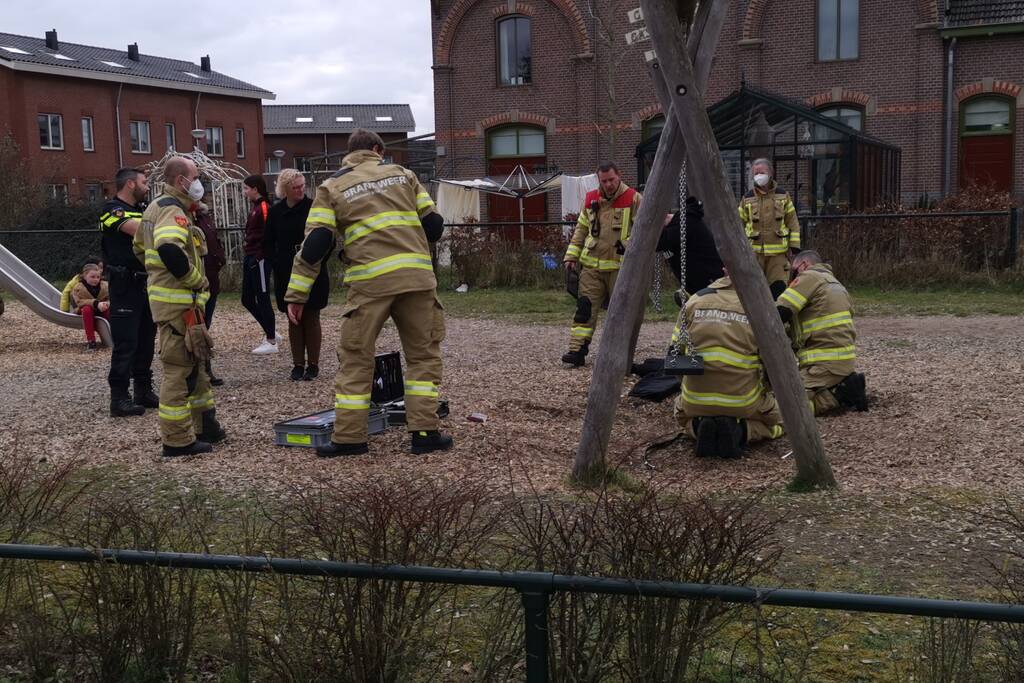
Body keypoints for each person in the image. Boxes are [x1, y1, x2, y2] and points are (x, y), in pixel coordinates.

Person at [285, 128, 451, 457]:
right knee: (422, 358)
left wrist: (297, 293)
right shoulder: (404, 175)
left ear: (349, 152)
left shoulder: (332, 187)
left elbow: (317, 243)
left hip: (370, 283)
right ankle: (424, 433)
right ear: (377, 149)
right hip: (416, 280)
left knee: (357, 360)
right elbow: (433, 227)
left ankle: (349, 439)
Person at [135, 156, 225, 457]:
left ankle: (205, 424)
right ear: (180, 180)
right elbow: (168, 248)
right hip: (177, 304)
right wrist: (195, 280)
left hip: (177, 302)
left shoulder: (156, 208)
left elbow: (139, 248)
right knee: (178, 370)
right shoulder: (172, 212)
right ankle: (177, 440)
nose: (198, 183)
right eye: (195, 177)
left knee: (195, 362)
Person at [673, 274, 784, 458]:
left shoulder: (694, 302)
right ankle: (741, 430)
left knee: (683, 418)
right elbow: (775, 366)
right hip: (743, 401)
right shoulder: (758, 308)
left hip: (695, 400)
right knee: (783, 421)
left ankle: (698, 427)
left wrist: (686, 387)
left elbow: (675, 357)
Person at [561, 162, 643, 366]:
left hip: (620, 268)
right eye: (604, 181)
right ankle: (577, 350)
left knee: (620, 314)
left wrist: (629, 246)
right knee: (584, 309)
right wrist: (571, 256)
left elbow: (643, 230)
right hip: (591, 267)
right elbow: (581, 229)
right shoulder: (590, 199)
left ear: (619, 176)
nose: (608, 184)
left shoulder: (633, 198)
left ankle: (619, 354)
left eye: (611, 180)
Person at [776, 250, 867, 414]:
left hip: (822, 366)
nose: (791, 274)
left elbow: (778, 313)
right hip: (841, 363)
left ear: (804, 265)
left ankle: (837, 396)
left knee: (783, 404)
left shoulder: (809, 277)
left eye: (793, 268)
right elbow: (809, 326)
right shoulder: (837, 285)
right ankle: (844, 387)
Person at [100, 168, 157, 417]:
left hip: (145, 283)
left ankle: (143, 389)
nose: (148, 187)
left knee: (146, 338)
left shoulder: (143, 210)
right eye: (144, 182)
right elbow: (140, 231)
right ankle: (119, 397)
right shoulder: (111, 210)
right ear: (130, 184)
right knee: (126, 342)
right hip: (124, 284)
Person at [265, 168, 331, 381]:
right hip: (286, 269)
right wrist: (275, 261)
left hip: (313, 268)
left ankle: (313, 364)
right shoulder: (275, 213)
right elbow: (268, 241)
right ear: (285, 190)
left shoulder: (314, 207)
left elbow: (326, 238)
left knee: (311, 316)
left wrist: (319, 260)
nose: (301, 190)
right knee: (293, 318)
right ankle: (297, 364)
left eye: (303, 186)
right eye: (295, 187)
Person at [737, 158, 800, 298]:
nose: (759, 176)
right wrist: (739, 250)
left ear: (771, 173)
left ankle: (778, 318)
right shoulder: (747, 198)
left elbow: (792, 221)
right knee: (754, 290)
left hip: (778, 256)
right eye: (756, 173)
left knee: (779, 289)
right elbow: (738, 225)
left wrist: (794, 247)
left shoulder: (783, 196)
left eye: (762, 172)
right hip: (754, 255)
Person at [241, 174, 280, 354]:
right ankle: (270, 329)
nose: (244, 192)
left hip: (260, 258)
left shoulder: (264, 206)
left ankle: (271, 340)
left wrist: (261, 255)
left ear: (255, 189)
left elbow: (269, 232)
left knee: (262, 297)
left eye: (246, 188)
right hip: (250, 256)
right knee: (246, 298)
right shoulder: (255, 207)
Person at [657, 196, 724, 296]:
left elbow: (658, 243)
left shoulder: (684, 222)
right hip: (696, 280)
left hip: (708, 278)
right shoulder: (675, 226)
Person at [194, 198, 226, 386]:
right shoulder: (184, 217)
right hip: (196, 281)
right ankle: (198, 371)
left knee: (205, 325)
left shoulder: (204, 217)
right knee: (195, 327)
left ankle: (205, 369)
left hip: (210, 280)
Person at [71, 262, 109, 350]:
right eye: (92, 277)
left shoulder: (104, 286)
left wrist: (106, 304)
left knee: (108, 311)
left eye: (98, 277)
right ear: (85, 276)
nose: (95, 279)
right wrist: (95, 303)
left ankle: (114, 335)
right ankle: (91, 340)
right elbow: (79, 302)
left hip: (100, 309)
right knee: (87, 309)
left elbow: (110, 298)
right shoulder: (78, 288)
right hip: (84, 310)